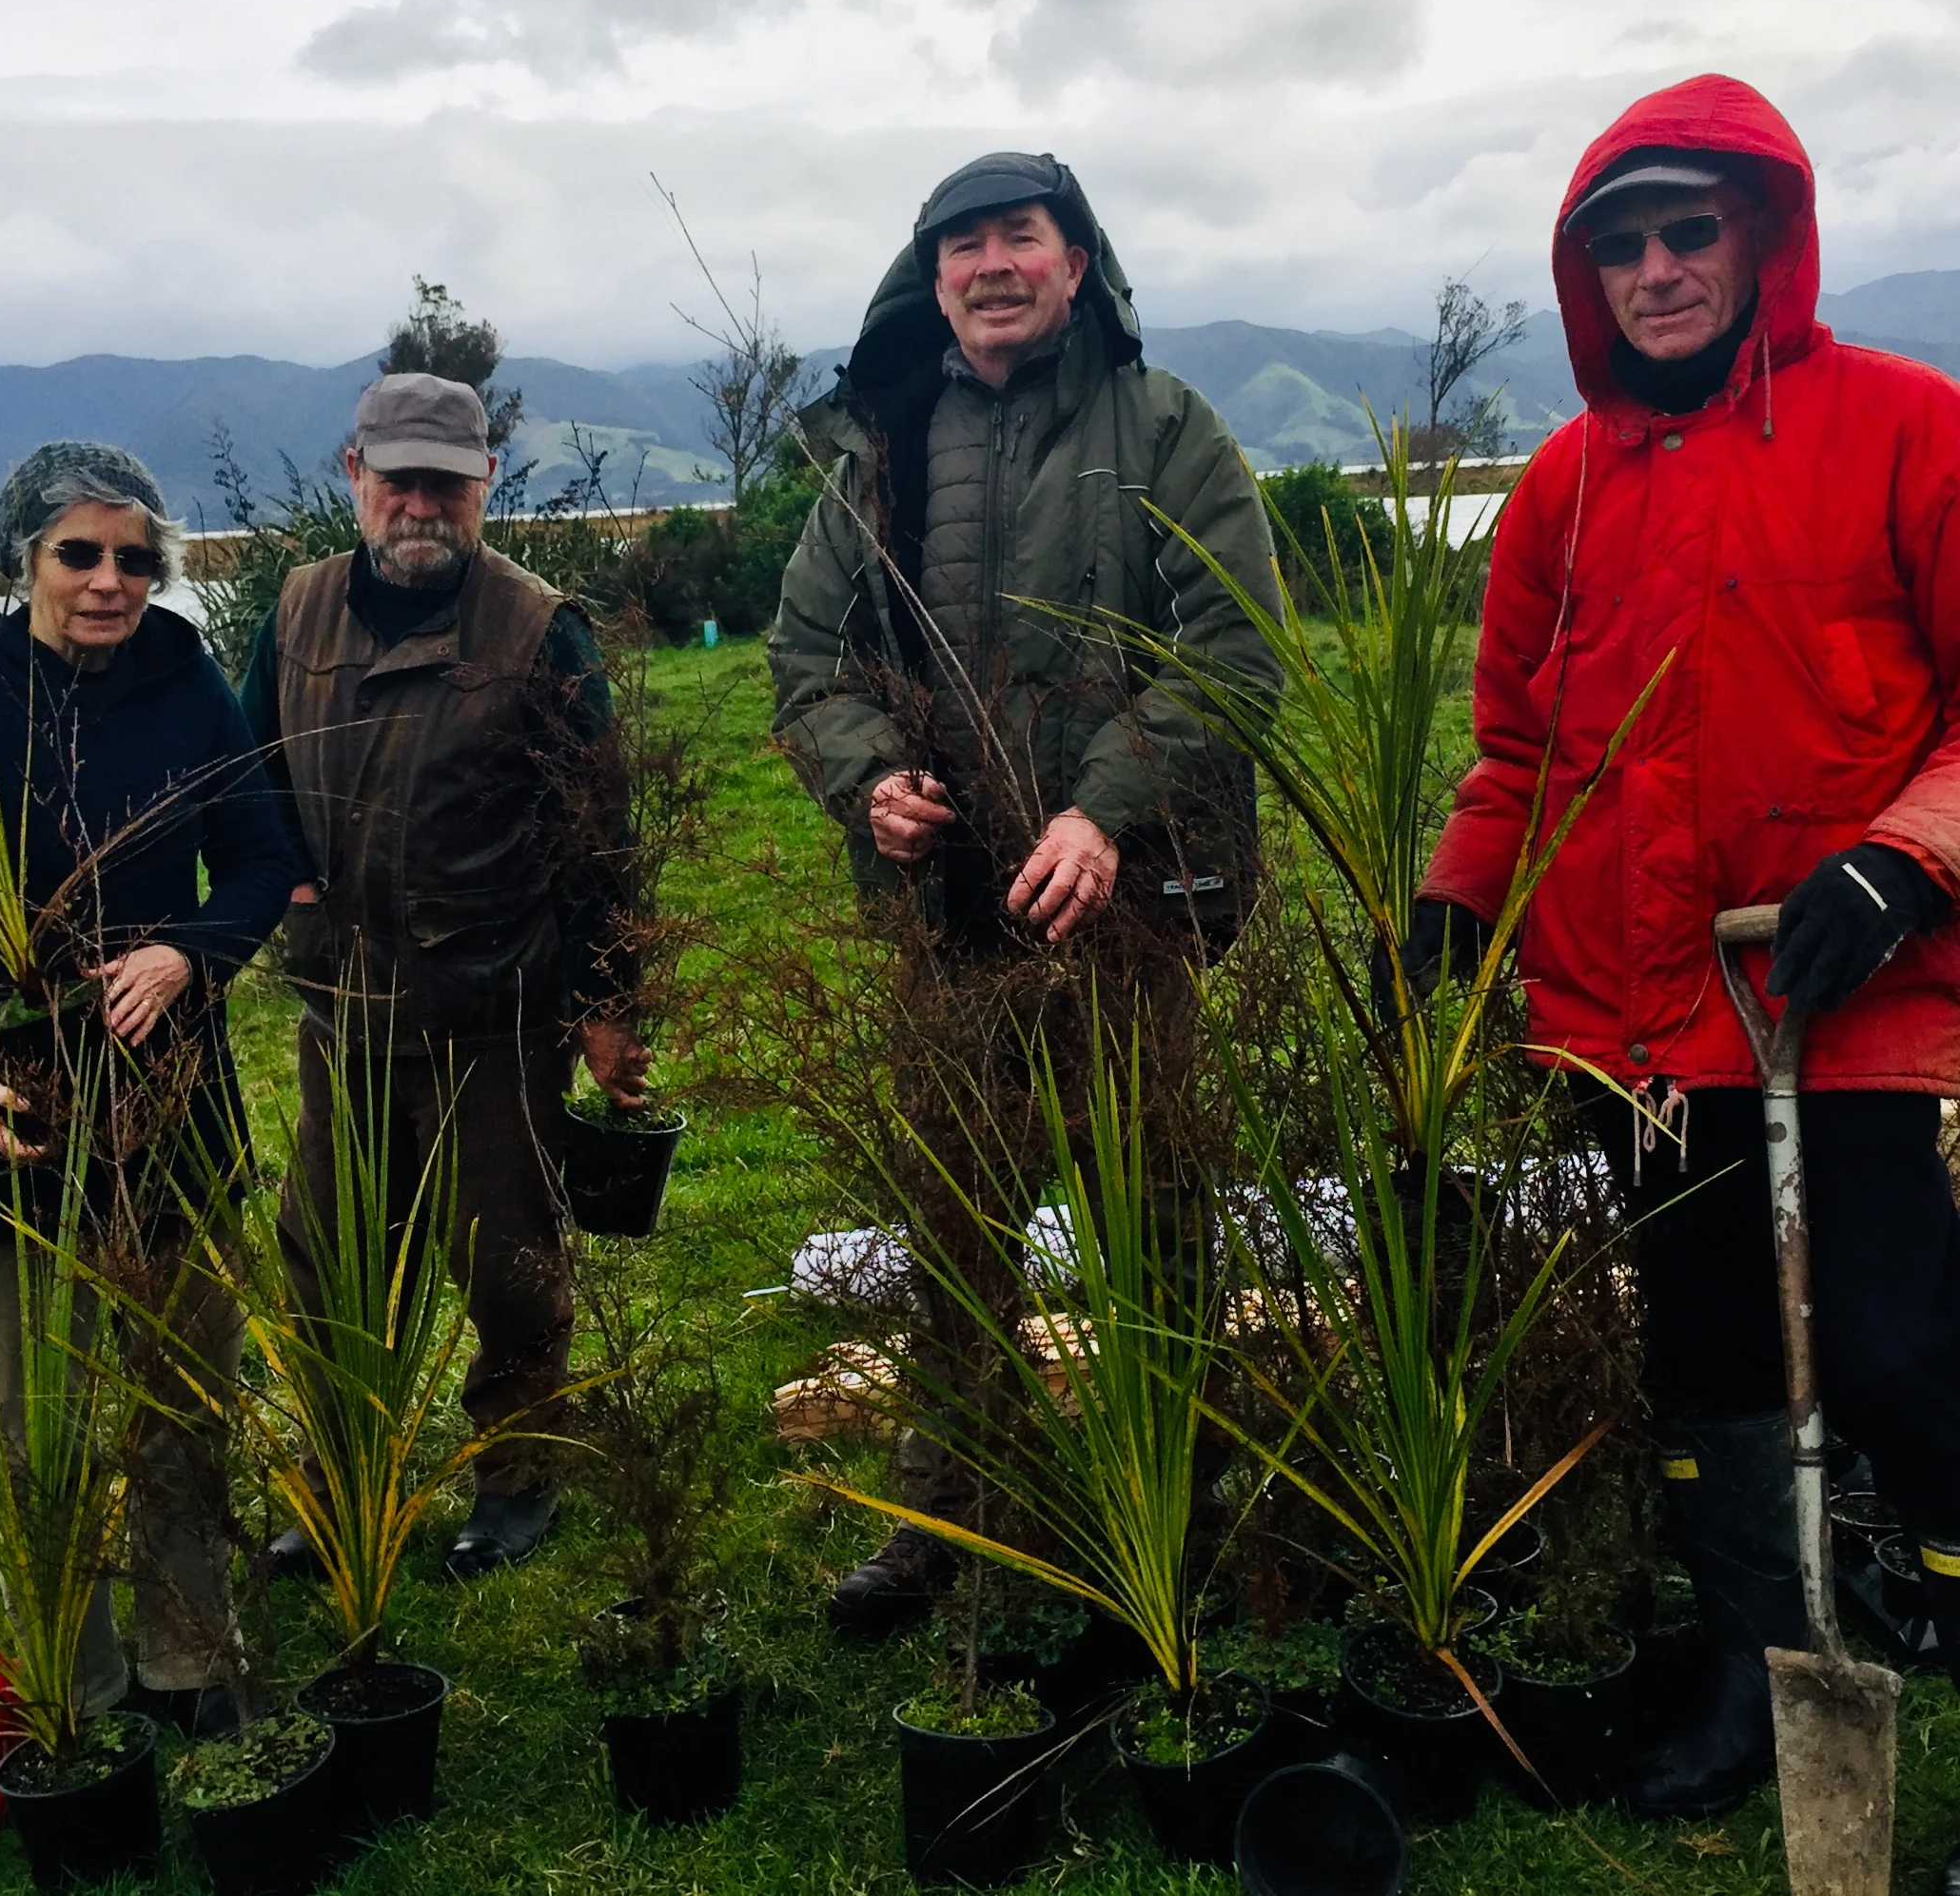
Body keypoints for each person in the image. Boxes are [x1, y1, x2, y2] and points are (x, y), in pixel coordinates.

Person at [1417, 77, 1960, 1895]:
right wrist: (1449, 904)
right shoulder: (1561, 489)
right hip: (1633, 1018)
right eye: (1618, 244)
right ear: (1585, 274)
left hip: (1831, 998)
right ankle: (1744, 1675)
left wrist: (1899, 861)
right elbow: (1513, 749)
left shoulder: (1909, 432)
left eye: (1684, 233)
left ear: (1758, 240)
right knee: (1704, 1348)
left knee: (1902, 1360)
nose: (1653, 270)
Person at [770, 151, 1283, 1632]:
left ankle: (1165, 1492)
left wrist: (1106, 807)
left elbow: (1232, 647)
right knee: (955, 1214)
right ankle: (957, 1496)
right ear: (929, 279)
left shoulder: (1163, 427)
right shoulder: (883, 442)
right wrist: (865, 773)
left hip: (1127, 913)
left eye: (1019, 237)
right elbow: (805, 659)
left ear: (1075, 261)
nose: (991, 265)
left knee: (1154, 1213)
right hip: (950, 925)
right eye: (961, 248)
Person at [0, 441, 299, 1738]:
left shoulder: (188, 685)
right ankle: (79, 1694)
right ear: (19, 559)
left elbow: (261, 859)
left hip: (171, 1109)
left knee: (181, 1399)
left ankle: (190, 1664)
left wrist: (186, 951)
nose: (109, 580)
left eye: (136, 558)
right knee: (42, 1436)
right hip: (1, 1121)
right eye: (79, 553)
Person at [239, 371, 642, 1581]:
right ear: (354, 474)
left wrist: (612, 1005)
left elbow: (600, 830)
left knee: (505, 1255)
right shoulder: (297, 607)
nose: (421, 504)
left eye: (447, 484)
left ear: (485, 488)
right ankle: (344, 1476)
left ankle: (517, 1470)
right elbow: (252, 762)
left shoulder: (536, 625)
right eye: (399, 478)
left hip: (493, 1007)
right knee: (330, 1251)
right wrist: (289, 881)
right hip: (342, 1001)